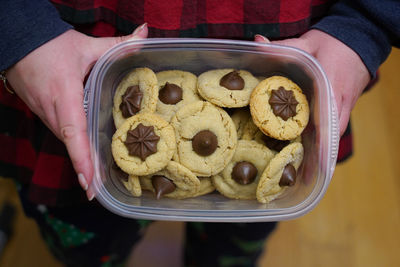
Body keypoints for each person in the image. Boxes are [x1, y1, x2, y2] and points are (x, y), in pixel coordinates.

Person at [0, 0, 399, 266]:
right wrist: (20, 32)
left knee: (236, 242)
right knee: (88, 239)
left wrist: (363, 25)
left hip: (299, 43)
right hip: (69, 66)